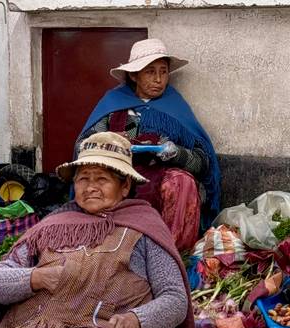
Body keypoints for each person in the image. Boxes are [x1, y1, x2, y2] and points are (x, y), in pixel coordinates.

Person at [0, 131, 200, 328]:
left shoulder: (144, 228)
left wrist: (136, 319)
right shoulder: (54, 225)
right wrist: (33, 278)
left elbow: (174, 299)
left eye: (102, 179)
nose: (91, 187)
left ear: (125, 186)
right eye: (83, 178)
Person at [77, 38, 221, 251]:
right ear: (134, 75)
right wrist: (113, 146)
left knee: (182, 183)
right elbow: (84, 148)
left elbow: (202, 162)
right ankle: (107, 248)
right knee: (101, 183)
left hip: (162, 174)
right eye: (150, 72)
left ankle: (172, 252)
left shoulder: (175, 107)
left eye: (163, 72)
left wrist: (175, 153)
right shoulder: (113, 103)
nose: (158, 79)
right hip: (119, 173)